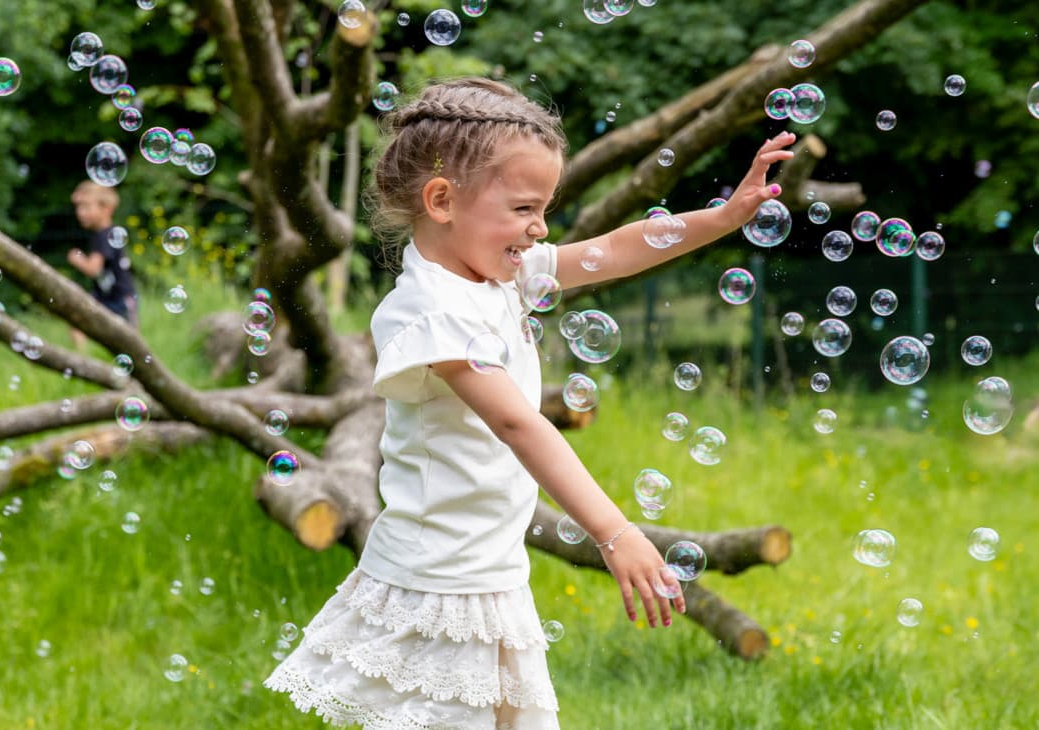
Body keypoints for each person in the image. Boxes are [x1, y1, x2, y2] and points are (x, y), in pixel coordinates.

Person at [264, 77, 795, 728]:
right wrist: (616, 533)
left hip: (492, 573)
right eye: (523, 208)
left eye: (544, 207)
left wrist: (722, 217)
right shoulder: (430, 311)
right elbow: (518, 422)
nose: (540, 227)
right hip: (440, 586)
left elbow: (614, 249)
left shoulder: (499, 277)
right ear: (442, 200)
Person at [66, 181, 137, 347]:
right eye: (79, 207)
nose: (80, 213)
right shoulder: (103, 234)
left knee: (130, 342)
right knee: (77, 319)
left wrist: (78, 259)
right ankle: (83, 359)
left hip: (120, 298)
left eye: (86, 207)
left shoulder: (104, 236)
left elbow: (93, 269)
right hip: (105, 295)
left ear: (106, 209)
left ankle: (83, 358)